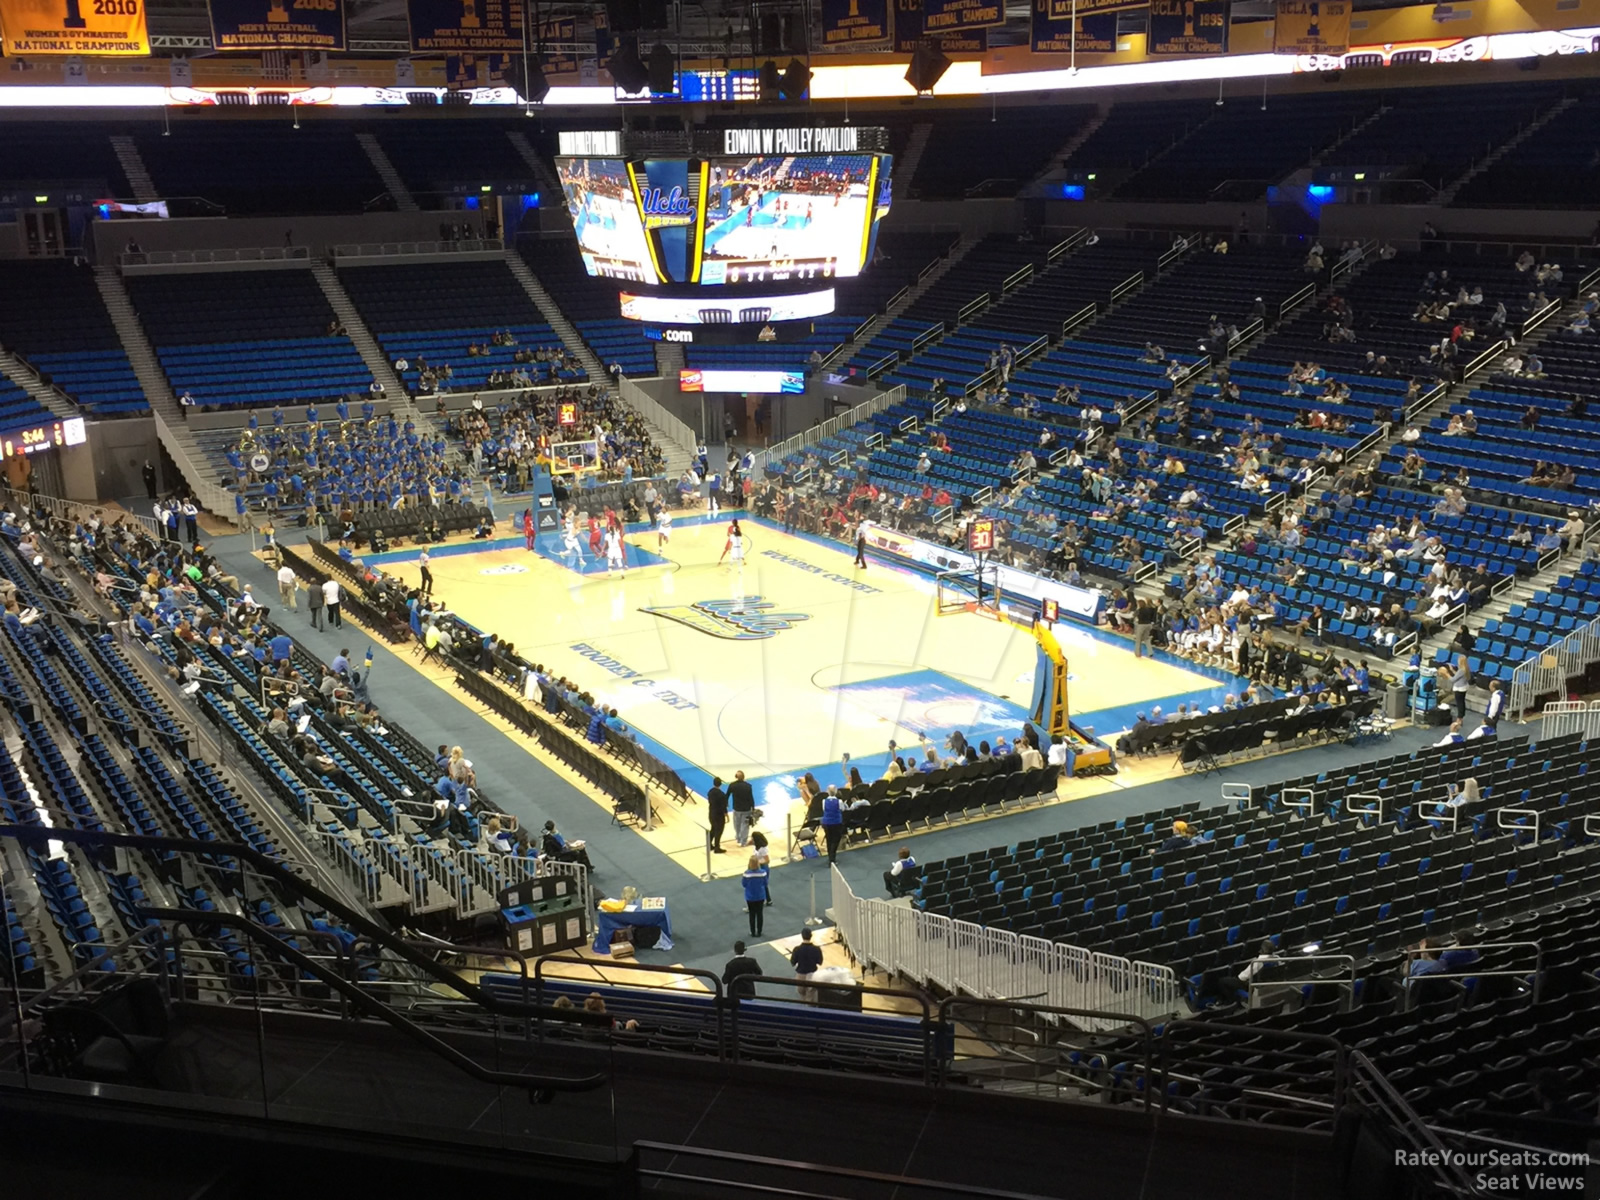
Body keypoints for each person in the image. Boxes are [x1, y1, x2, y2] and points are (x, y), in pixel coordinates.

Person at [790, 927, 823, 1001]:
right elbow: (820, 962)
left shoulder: (797, 949)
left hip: (801, 975)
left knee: (802, 995)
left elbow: (792, 962)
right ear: (811, 936)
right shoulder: (816, 949)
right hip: (812, 975)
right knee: (811, 997)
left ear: (802, 936)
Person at [741, 854, 770, 938]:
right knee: (760, 913)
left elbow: (744, 884)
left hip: (750, 897)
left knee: (752, 914)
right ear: (758, 863)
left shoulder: (746, 874)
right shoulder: (763, 873)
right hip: (760, 896)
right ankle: (759, 931)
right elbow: (766, 883)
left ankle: (753, 932)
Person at [728, 769, 756, 847]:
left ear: (736, 777)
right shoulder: (748, 786)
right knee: (745, 825)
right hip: (746, 809)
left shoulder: (732, 785)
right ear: (743, 777)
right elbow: (751, 798)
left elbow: (727, 795)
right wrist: (753, 808)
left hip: (737, 809)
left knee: (737, 824)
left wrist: (725, 804)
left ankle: (738, 838)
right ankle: (743, 841)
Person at [819, 784, 844, 864]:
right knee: (835, 840)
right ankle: (832, 858)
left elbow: (824, 810)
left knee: (829, 840)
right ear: (836, 792)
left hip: (827, 823)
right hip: (836, 823)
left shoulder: (824, 801)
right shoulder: (839, 801)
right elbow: (842, 809)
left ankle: (831, 857)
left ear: (827, 792)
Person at [706, 775, 727, 853]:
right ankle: (717, 847)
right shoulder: (722, 794)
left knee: (713, 829)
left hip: (711, 813)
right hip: (719, 815)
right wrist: (726, 814)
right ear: (720, 784)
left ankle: (709, 845)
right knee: (719, 830)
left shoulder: (710, 792)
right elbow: (723, 806)